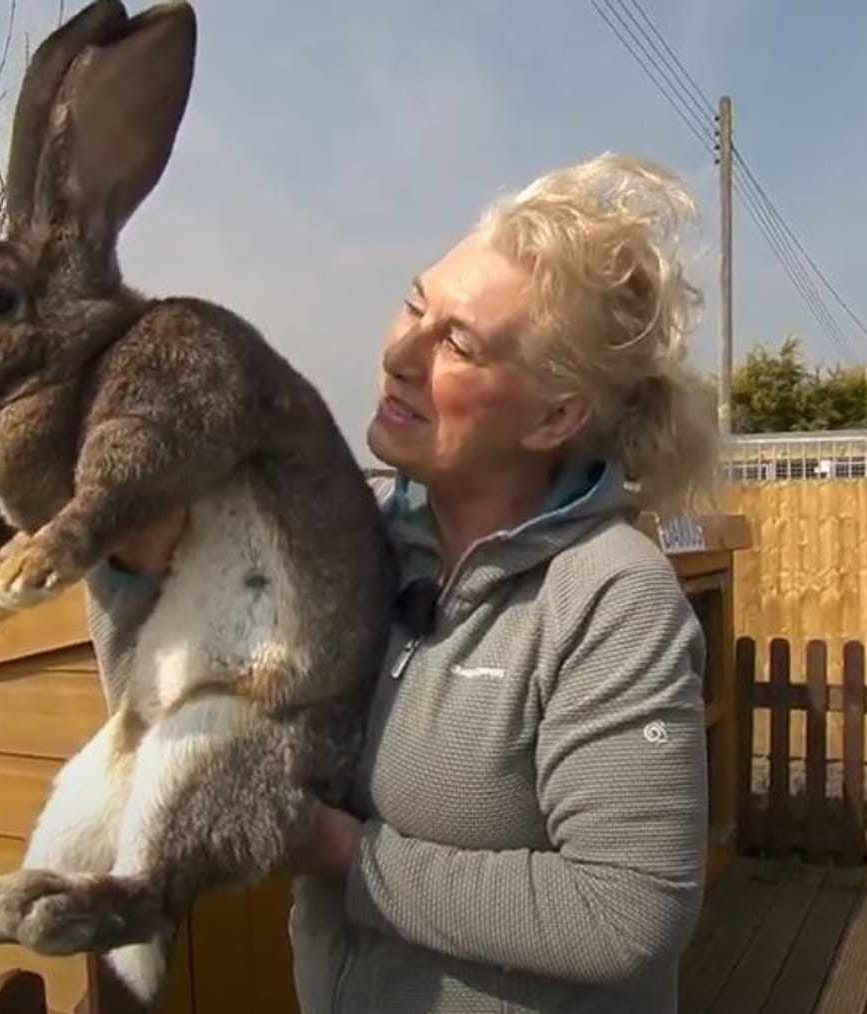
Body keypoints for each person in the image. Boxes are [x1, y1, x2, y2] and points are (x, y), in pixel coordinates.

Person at [84, 151, 719, 1013]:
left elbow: (626, 911)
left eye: (458, 343)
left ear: (554, 416)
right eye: (416, 305)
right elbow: (166, 730)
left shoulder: (611, 600)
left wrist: (346, 854)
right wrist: (132, 563)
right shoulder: (352, 542)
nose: (400, 353)